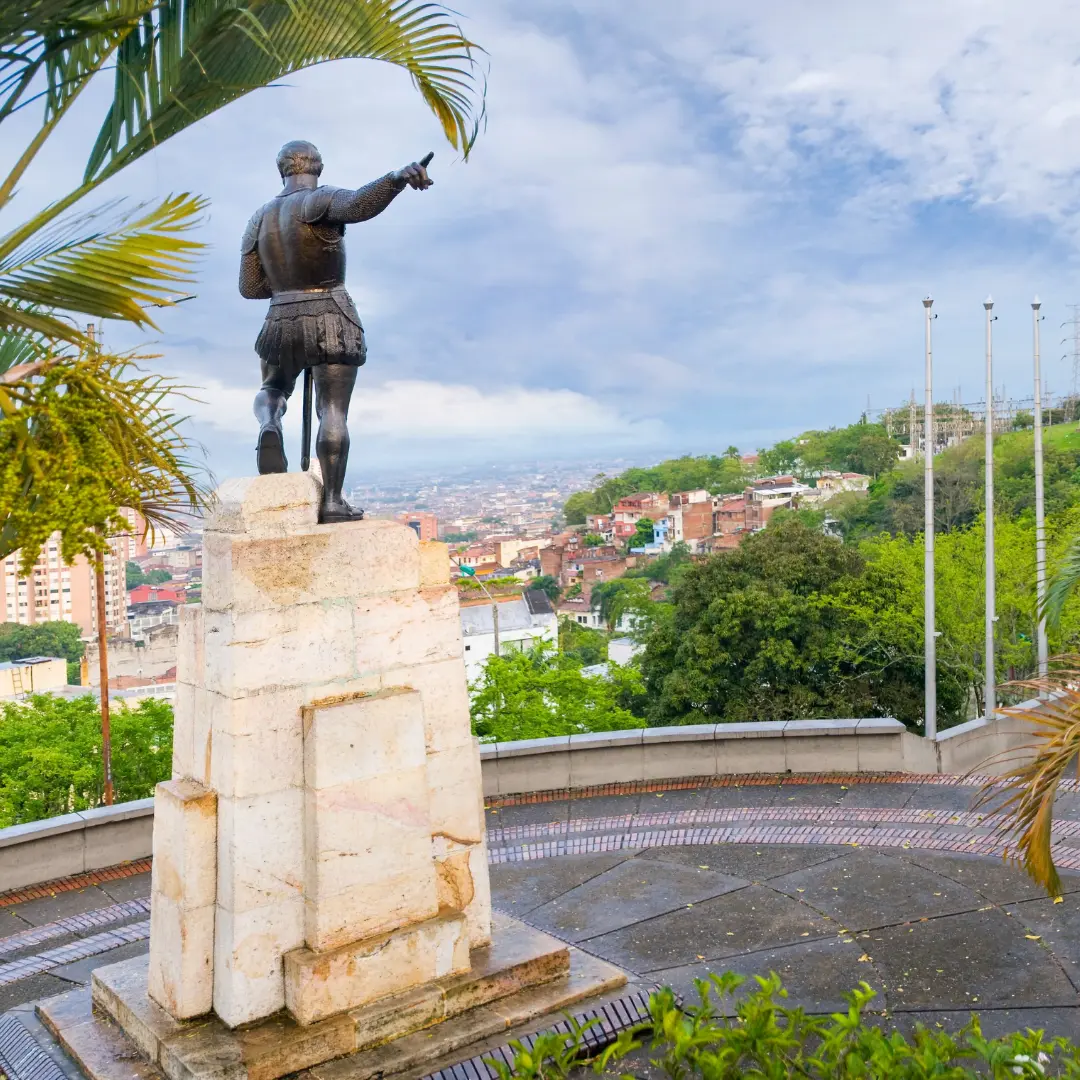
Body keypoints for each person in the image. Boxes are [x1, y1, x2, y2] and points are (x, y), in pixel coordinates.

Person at [239, 140, 432, 522]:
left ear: (281, 170)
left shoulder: (258, 219)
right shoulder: (320, 200)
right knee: (333, 409)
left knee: (272, 388)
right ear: (319, 167)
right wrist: (396, 179)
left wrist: (284, 286)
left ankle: (270, 422)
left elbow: (250, 287)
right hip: (330, 314)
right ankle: (331, 500)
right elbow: (360, 204)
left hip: (279, 319)